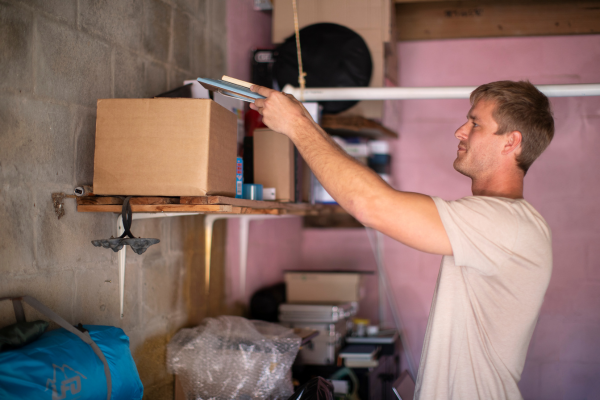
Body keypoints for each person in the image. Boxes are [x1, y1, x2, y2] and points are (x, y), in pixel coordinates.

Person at [250, 80, 554, 400]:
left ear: (511, 142)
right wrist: (301, 122)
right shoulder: (507, 221)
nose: (460, 131)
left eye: (475, 123)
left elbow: (371, 204)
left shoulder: (505, 223)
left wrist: (296, 125)